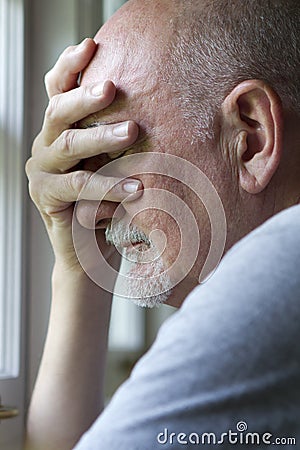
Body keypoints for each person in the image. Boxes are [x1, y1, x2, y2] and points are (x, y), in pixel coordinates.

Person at [25, 0, 300, 449]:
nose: (93, 191)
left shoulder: (279, 268)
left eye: (115, 151)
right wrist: (80, 265)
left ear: (251, 137)